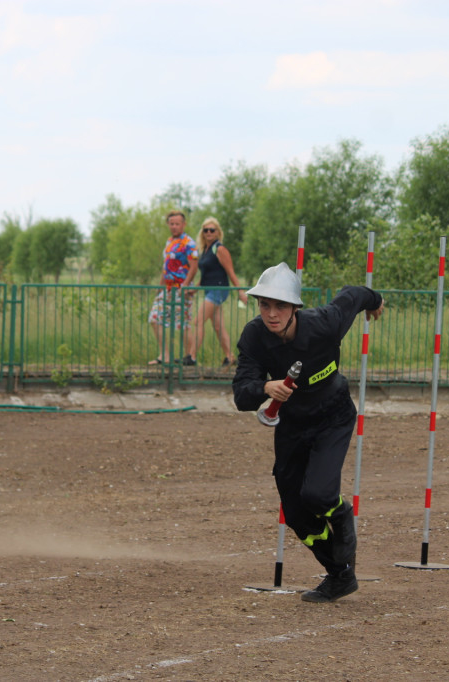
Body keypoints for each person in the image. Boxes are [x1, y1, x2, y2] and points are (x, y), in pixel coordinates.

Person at [232, 262, 384, 603]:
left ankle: (341, 513)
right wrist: (265, 387)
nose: (271, 313)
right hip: (292, 425)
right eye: (264, 305)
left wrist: (375, 301)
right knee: (296, 512)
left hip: (333, 417)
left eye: (280, 306)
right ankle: (340, 575)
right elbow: (241, 393)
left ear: (295, 308)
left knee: (317, 495)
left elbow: (354, 295)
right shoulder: (254, 336)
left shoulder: (325, 325)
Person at [192, 217, 247, 366]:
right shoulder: (205, 250)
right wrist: (194, 290)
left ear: (217, 233)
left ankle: (191, 357)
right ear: (202, 233)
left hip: (219, 290)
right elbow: (204, 276)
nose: (209, 233)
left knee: (198, 321)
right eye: (206, 230)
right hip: (209, 290)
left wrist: (240, 291)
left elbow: (231, 272)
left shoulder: (220, 249)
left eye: (212, 230)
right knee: (218, 326)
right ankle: (230, 357)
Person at [148, 210, 198, 365]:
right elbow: (166, 266)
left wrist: (184, 286)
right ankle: (165, 355)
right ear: (168, 224)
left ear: (184, 224)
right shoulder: (169, 242)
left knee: (182, 323)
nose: (174, 226)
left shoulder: (188, 243)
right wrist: (160, 286)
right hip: (168, 288)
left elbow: (194, 266)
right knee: (155, 318)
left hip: (181, 289)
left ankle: (190, 358)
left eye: (177, 223)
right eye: (172, 223)